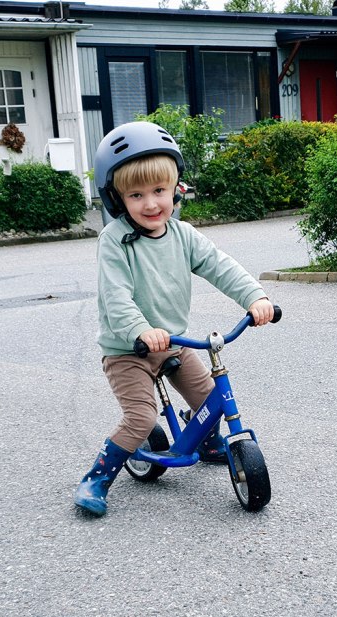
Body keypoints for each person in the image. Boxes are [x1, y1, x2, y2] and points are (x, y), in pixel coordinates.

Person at [74, 121, 275, 517]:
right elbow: (116, 298)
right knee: (140, 418)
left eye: (159, 191)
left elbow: (220, 266)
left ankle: (211, 442)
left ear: (176, 188)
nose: (151, 204)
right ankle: (97, 478)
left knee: (208, 397)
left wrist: (255, 296)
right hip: (127, 349)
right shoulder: (114, 241)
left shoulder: (183, 235)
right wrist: (141, 330)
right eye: (136, 194)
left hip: (174, 342)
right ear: (116, 199)